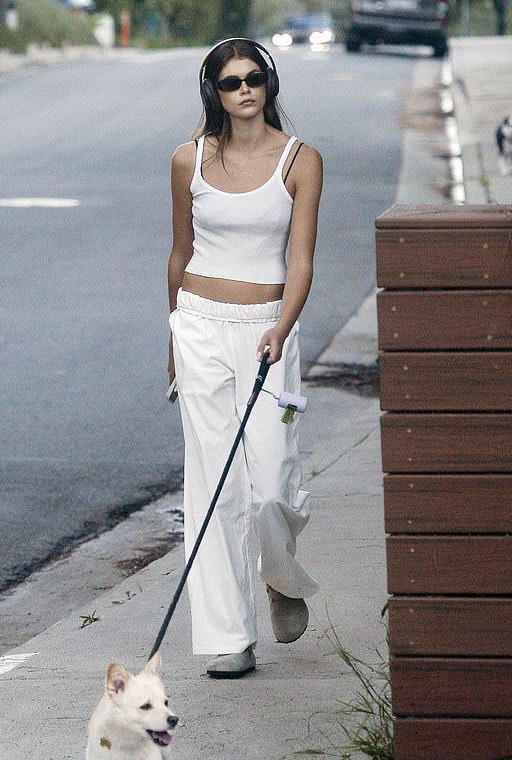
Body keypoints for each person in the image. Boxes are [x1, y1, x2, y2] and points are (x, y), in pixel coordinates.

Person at [167, 38, 323, 679]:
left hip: (266, 330)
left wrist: (282, 329)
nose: (245, 91)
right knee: (213, 485)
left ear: (270, 84)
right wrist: (171, 341)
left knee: (270, 481)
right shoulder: (187, 160)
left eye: (254, 79)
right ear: (215, 93)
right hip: (199, 325)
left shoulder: (300, 160)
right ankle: (227, 637)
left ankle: (281, 578)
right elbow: (178, 255)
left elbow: (301, 261)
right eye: (231, 83)